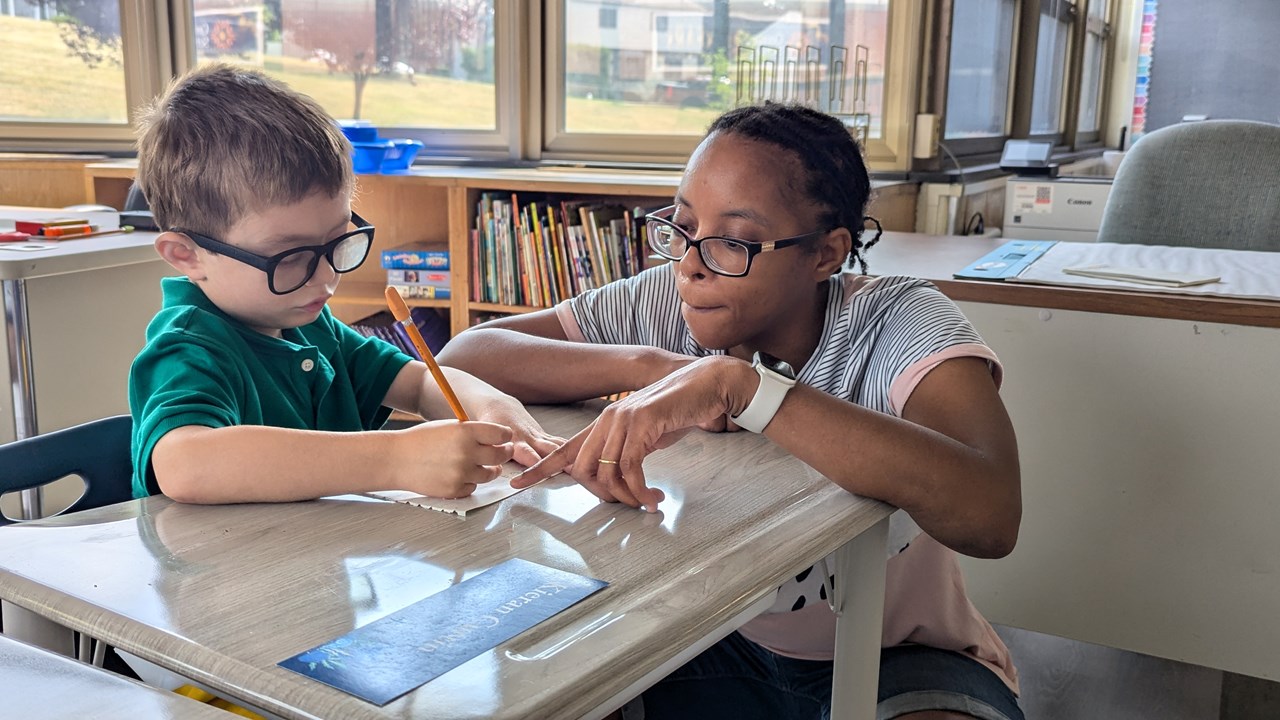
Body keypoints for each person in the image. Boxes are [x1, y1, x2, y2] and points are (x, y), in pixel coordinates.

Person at [438, 102, 1024, 720]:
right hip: (719, 637)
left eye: (735, 241)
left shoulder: (894, 319)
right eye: (684, 226)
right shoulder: (669, 298)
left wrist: (743, 388)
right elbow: (466, 357)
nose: (693, 264)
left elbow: (992, 517)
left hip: (901, 653)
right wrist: (654, 369)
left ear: (826, 254)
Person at [129, 63, 560, 504]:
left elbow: (415, 383)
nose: (325, 275)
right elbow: (186, 465)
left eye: (338, 242)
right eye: (291, 256)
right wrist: (394, 459)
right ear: (187, 255)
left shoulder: (312, 327)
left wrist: (491, 406)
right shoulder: (187, 347)